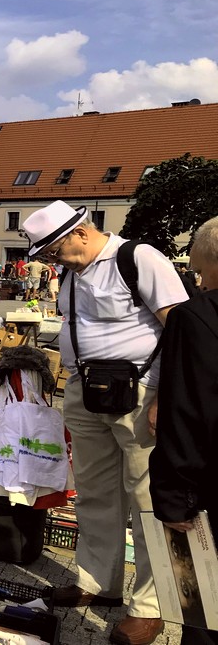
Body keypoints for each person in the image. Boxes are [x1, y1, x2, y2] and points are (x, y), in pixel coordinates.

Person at [22, 199, 187, 645]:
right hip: (86, 391)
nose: (54, 260)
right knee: (94, 492)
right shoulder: (72, 273)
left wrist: (166, 397)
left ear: (80, 231)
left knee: (148, 501)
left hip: (140, 393)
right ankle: (98, 582)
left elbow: (180, 330)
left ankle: (150, 607)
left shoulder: (139, 258)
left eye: (54, 250)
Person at [149, 214, 218, 645]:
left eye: (199, 271)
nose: (198, 280)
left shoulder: (195, 319)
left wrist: (173, 500)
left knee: (205, 609)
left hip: (210, 488)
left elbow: (185, 414)